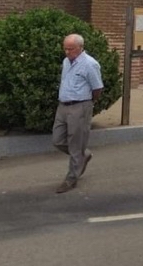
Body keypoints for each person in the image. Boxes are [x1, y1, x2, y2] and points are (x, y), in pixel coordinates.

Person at [52, 34, 103, 194]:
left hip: (80, 106)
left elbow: (97, 88)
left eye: (70, 49)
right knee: (57, 139)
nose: (67, 52)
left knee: (75, 144)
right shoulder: (66, 62)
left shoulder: (90, 64)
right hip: (63, 105)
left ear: (80, 48)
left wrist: (88, 104)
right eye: (65, 48)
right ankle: (83, 155)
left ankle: (71, 179)